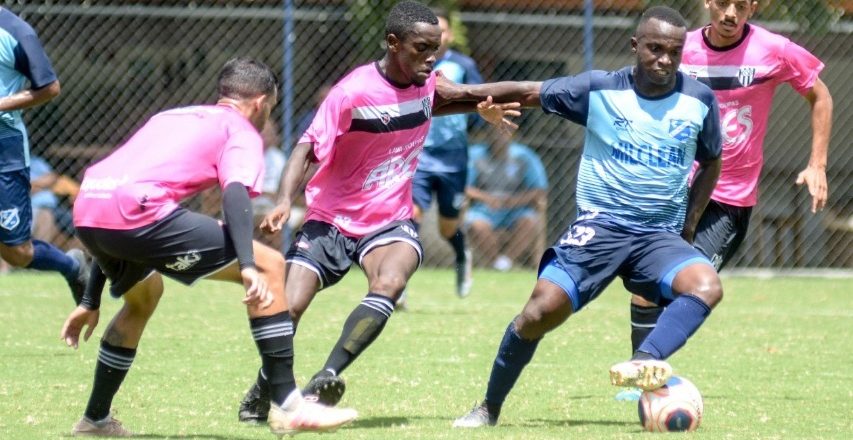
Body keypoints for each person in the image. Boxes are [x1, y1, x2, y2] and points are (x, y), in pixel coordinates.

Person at [236, 0, 520, 423]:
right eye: (422, 48)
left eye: (435, 48)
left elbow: (455, 96)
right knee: (289, 307)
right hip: (330, 218)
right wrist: (282, 200)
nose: (431, 58)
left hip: (390, 219)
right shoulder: (352, 92)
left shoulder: (426, 81)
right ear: (393, 43)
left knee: (390, 282)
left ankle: (326, 377)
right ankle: (264, 384)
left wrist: (482, 108)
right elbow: (304, 149)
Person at [450, 6, 725, 428]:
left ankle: (644, 361)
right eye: (654, 49)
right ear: (635, 46)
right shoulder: (598, 90)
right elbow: (528, 91)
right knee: (539, 313)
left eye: (674, 51)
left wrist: (688, 225)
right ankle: (488, 408)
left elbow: (711, 161)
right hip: (600, 227)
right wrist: (461, 96)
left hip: (657, 236)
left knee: (706, 285)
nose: (664, 60)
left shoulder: (699, 100)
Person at [59, 58, 358, 437]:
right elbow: (234, 192)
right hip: (134, 210)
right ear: (260, 102)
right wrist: (248, 263)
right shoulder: (241, 130)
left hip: (89, 205)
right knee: (270, 263)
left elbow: (116, 206)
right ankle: (290, 404)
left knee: (144, 294)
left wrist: (90, 301)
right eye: (270, 109)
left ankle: (94, 421)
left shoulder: (171, 117)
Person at [617, 0, 834, 401]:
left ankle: (646, 363)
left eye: (741, 4)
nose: (730, 13)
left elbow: (820, 94)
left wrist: (817, 163)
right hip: (674, 191)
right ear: (707, 3)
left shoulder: (775, 50)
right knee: (646, 287)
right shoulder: (680, 49)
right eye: (721, 3)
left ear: (756, 6)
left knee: (690, 285)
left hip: (728, 200)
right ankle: (641, 379)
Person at [0, 7, 89, 304]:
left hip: (5, 149)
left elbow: (49, 87)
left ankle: (71, 266)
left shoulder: (16, 32)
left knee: (16, 251)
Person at [411, 7, 483, 298]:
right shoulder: (414, 66)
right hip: (419, 155)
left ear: (450, 35)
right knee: (411, 216)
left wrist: (479, 117)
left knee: (447, 227)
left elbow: (480, 103)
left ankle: (462, 255)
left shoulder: (463, 65)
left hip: (454, 159)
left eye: (441, 31)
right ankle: (397, 281)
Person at [466, 127, 548, 272]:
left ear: (512, 135)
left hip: (516, 209)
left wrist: (514, 201)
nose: (499, 137)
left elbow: (539, 190)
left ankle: (505, 263)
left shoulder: (524, 156)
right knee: (477, 225)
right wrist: (487, 198)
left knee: (528, 221)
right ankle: (496, 263)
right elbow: (463, 186)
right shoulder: (475, 155)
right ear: (487, 135)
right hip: (484, 209)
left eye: (503, 133)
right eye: (494, 133)